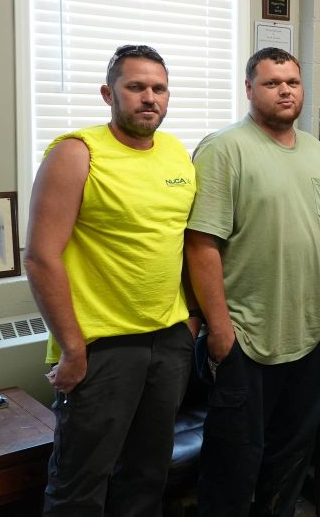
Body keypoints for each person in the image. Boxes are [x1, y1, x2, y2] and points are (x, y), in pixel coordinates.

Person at [26, 44, 197, 515]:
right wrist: (73, 348)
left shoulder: (177, 152)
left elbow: (181, 244)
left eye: (159, 88)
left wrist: (190, 322)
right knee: (80, 483)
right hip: (101, 347)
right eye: (136, 87)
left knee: (147, 476)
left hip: (168, 342)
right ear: (109, 93)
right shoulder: (76, 153)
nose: (149, 98)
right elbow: (40, 258)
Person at [185, 47, 320, 516]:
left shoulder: (315, 150)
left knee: (292, 457)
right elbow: (200, 245)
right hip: (246, 336)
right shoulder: (223, 148)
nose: (285, 90)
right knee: (233, 464)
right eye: (272, 83)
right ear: (249, 89)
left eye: (292, 81)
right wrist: (220, 328)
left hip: (310, 332)